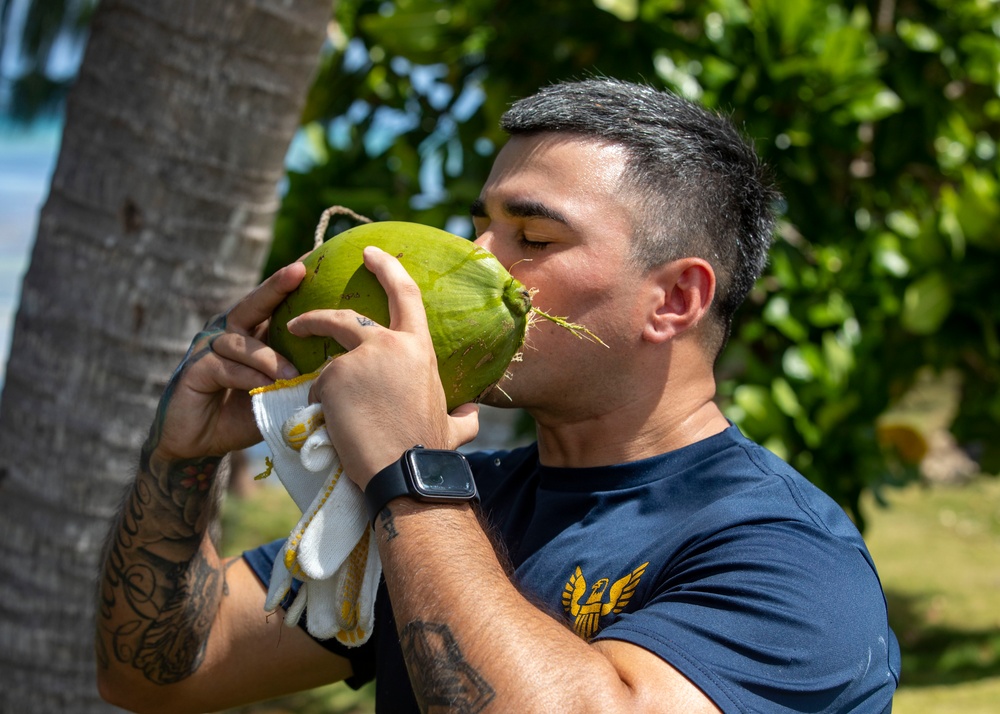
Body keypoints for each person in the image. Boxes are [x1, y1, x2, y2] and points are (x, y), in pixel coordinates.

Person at [96, 78, 900, 713]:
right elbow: (164, 672)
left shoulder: (789, 560)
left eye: (534, 238)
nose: (475, 258)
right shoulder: (455, 501)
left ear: (676, 300)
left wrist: (412, 471)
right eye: (478, 225)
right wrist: (179, 464)